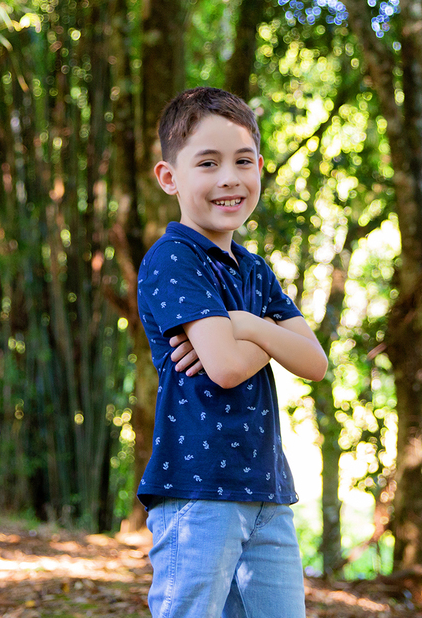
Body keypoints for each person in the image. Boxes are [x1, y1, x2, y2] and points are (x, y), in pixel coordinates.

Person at [136, 86, 329, 618]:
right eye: (208, 163)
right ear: (170, 177)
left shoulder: (254, 270)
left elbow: (314, 363)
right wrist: (272, 333)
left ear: (260, 168)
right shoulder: (173, 258)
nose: (229, 177)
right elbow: (223, 367)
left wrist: (245, 325)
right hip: (198, 492)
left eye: (243, 161)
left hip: (266, 489)